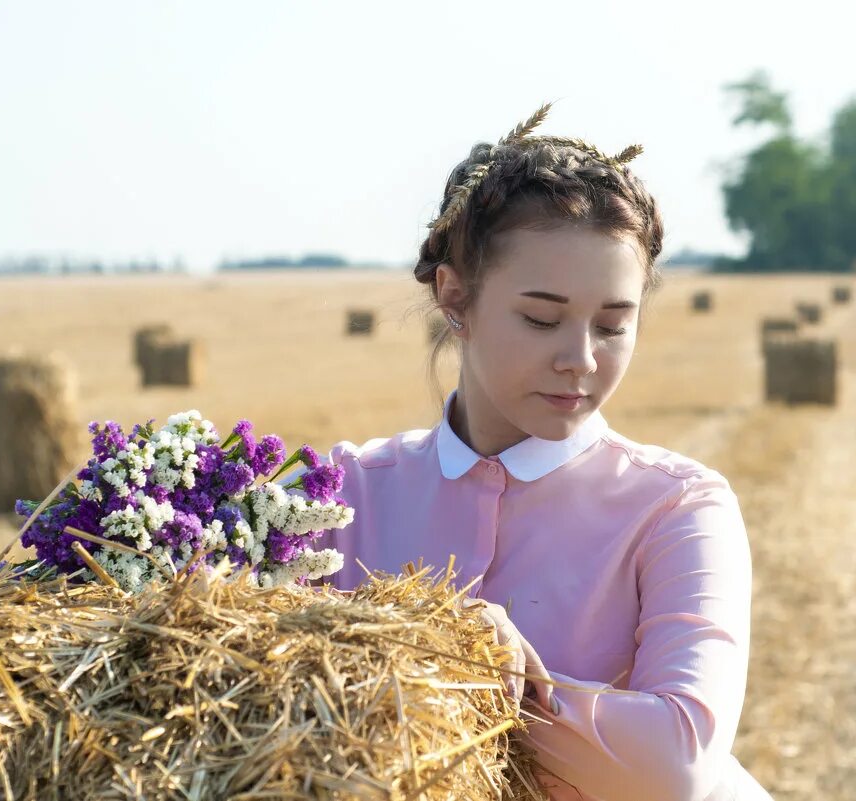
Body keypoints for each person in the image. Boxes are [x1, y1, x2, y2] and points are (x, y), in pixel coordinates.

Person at [308, 103, 773, 801]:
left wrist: (461, 661)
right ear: (454, 297)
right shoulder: (343, 494)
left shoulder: (678, 507)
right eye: (541, 318)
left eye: (614, 326)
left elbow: (676, 764)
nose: (580, 359)